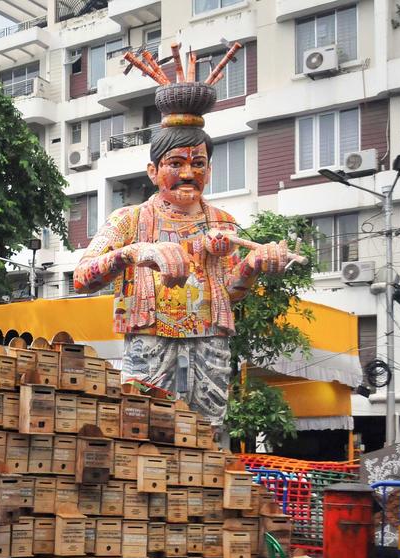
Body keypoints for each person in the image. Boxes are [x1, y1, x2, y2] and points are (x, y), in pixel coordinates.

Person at [73, 56, 294, 428]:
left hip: (209, 341)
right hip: (149, 339)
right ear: (153, 170)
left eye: (198, 164)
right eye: (175, 163)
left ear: (209, 169)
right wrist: (135, 252)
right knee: (142, 425)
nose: (188, 173)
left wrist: (255, 265)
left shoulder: (223, 222)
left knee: (207, 431)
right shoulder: (129, 220)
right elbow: (82, 278)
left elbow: (231, 289)